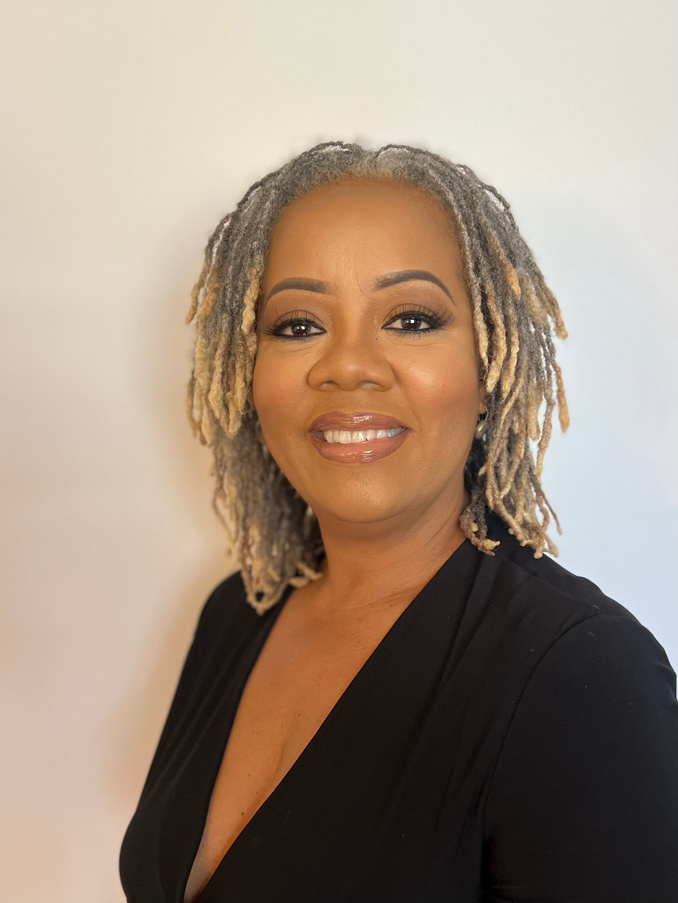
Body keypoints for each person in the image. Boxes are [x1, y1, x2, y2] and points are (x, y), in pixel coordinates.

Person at [119, 141, 678, 903]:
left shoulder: (581, 672)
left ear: (490, 365)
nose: (348, 365)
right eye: (297, 325)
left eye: (411, 319)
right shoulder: (237, 613)